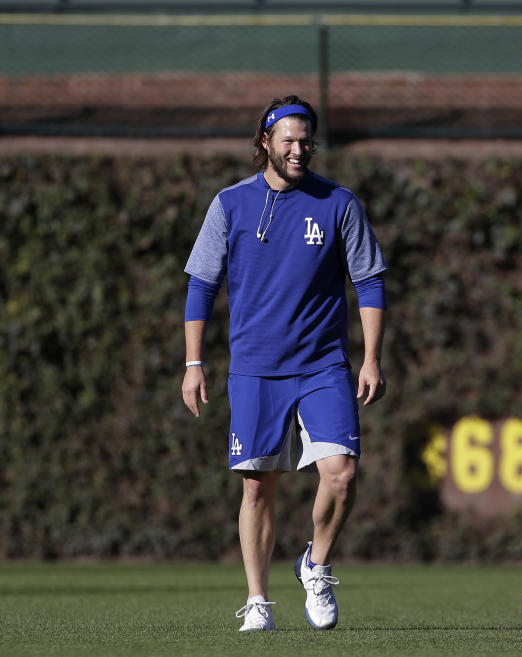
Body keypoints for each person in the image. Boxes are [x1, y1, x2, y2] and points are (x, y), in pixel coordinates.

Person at [181, 95, 388, 632]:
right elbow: (202, 284)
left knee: (341, 475)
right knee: (257, 486)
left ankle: (315, 565)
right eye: (289, 140)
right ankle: (258, 602)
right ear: (265, 142)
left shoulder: (339, 203)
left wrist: (371, 358)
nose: (299, 149)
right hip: (254, 368)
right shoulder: (229, 204)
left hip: (322, 366)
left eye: (306, 140)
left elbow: (368, 281)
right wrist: (193, 362)